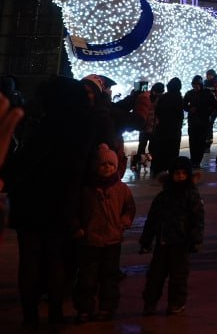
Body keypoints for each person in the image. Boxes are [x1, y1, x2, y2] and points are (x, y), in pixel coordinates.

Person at [4, 75, 91, 328]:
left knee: (30, 258)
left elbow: (24, 163)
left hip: (32, 199)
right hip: (63, 200)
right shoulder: (79, 127)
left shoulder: (44, 127)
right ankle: (55, 314)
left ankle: (30, 317)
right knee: (55, 258)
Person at [71, 143, 135, 323]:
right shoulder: (86, 190)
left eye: (111, 165)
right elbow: (75, 210)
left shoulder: (121, 189)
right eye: (103, 164)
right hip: (89, 240)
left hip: (112, 240)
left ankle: (107, 307)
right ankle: (84, 308)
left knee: (109, 277)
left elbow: (129, 208)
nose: (107, 168)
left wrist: (123, 223)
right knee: (87, 278)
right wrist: (78, 228)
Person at [139, 155, 204, 316]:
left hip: (181, 244)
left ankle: (176, 302)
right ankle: (150, 302)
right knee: (155, 275)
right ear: (171, 175)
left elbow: (198, 219)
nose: (180, 176)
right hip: (163, 242)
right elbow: (152, 219)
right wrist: (146, 239)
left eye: (183, 173)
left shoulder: (191, 196)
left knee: (178, 276)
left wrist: (196, 238)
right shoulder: (163, 197)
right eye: (177, 173)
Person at [150, 77, 185, 178]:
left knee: (161, 151)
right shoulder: (179, 98)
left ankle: (158, 171)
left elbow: (158, 111)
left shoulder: (164, 97)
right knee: (173, 153)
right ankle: (172, 171)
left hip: (162, 129)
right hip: (174, 130)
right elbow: (180, 115)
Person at [182, 75, 217, 167]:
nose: (195, 87)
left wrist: (207, 112)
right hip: (194, 121)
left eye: (197, 85)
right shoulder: (190, 93)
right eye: (194, 85)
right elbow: (184, 105)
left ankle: (197, 161)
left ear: (200, 84)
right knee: (193, 141)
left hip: (203, 121)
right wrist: (190, 109)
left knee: (200, 142)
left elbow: (215, 106)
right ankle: (194, 160)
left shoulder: (207, 93)